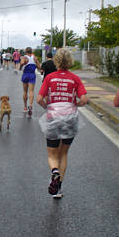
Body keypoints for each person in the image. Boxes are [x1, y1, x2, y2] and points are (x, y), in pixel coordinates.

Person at [37, 48, 87, 198]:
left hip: (53, 116)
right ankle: (58, 189)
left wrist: (48, 107)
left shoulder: (50, 78)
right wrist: (75, 105)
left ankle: (54, 171)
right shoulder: (75, 79)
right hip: (70, 117)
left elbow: (39, 99)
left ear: (56, 61)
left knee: (52, 154)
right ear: (70, 61)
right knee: (63, 153)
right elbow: (84, 99)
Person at [20, 47, 40, 116]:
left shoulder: (24, 57)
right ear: (31, 52)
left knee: (25, 91)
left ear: (25, 51)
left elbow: (22, 64)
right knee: (31, 91)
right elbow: (39, 67)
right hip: (32, 75)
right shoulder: (34, 58)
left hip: (25, 74)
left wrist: (21, 65)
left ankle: (25, 107)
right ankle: (30, 105)